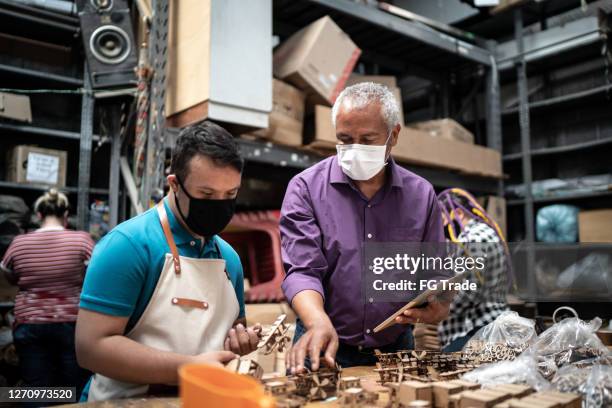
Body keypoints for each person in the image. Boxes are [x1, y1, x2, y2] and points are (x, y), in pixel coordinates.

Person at [75, 121, 260, 401]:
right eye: (206, 195)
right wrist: (188, 368)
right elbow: (91, 348)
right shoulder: (128, 246)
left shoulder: (229, 260)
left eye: (230, 194)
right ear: (174, 184)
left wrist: (240, 341)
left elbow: (231, 331)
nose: (219, 204)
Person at [280, 82, 451, 373]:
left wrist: (439, 305)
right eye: (345, 139)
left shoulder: (421, 196)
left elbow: (434, 272)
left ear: (393, 135)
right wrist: (317, 321)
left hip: (395, 350)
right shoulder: (306, 189)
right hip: (323, 344)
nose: (354, 150)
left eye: (367, 139)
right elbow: (303, 271)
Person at [0, 189, 94, 395]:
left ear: (39, 215)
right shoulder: (81, 240)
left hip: (29, 323)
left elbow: (9, 276)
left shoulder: (19, 243)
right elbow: (94, 277)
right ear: (66, 215)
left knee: (36, 387)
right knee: (73, 386)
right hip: (71, 323)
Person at [436, 188, 510, 352]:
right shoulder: (486, 232)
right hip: (489, 325)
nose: (443, 225)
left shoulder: (472, 239)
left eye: (443, 218)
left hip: (474, 331)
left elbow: (469, 291)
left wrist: (436, 308)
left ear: (458, 214)